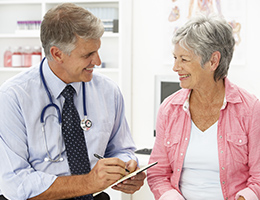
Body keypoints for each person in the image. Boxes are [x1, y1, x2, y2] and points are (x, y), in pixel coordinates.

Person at [0, 3, 145, 200]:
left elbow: (121, 149)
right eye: (88, 55)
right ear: (57, 54)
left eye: (97, 50)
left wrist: (127, 169)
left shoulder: (108, 91)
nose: (98, 61)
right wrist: (88, 182)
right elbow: (16, 183)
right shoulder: (13, 97)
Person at [147, 14, 260, 200]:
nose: (175, 67)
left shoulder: (250, 109)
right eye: (175, 57)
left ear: (213, 61)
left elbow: (258, 177)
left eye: (184, 59)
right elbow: (158, 173)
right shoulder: (168, 109)